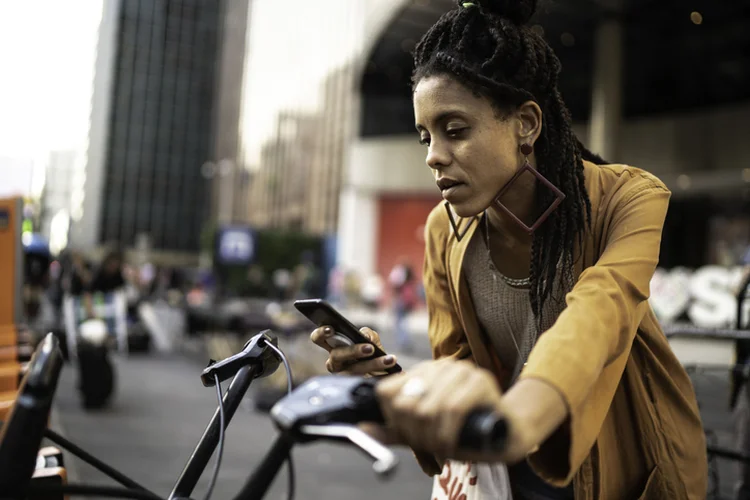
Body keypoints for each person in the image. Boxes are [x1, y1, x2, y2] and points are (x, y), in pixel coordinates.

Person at [311, 1, 707, 499]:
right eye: (424, 136)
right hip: (507, 466)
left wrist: (517, 415)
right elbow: (458, 368)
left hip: (622, 461)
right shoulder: (443, 232)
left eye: (455, 130)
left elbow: (601, 313)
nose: (433, 156)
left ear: (526, 123)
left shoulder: (629, 198)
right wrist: (393, 380)